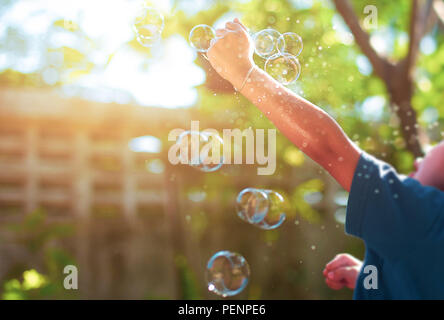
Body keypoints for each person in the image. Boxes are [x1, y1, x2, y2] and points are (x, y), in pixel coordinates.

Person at [207, 18, 444, 299]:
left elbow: (330, 148)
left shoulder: (427, 215)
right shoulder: (422, 240)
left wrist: (243, 72)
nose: (421, 157)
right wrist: (369, 278)